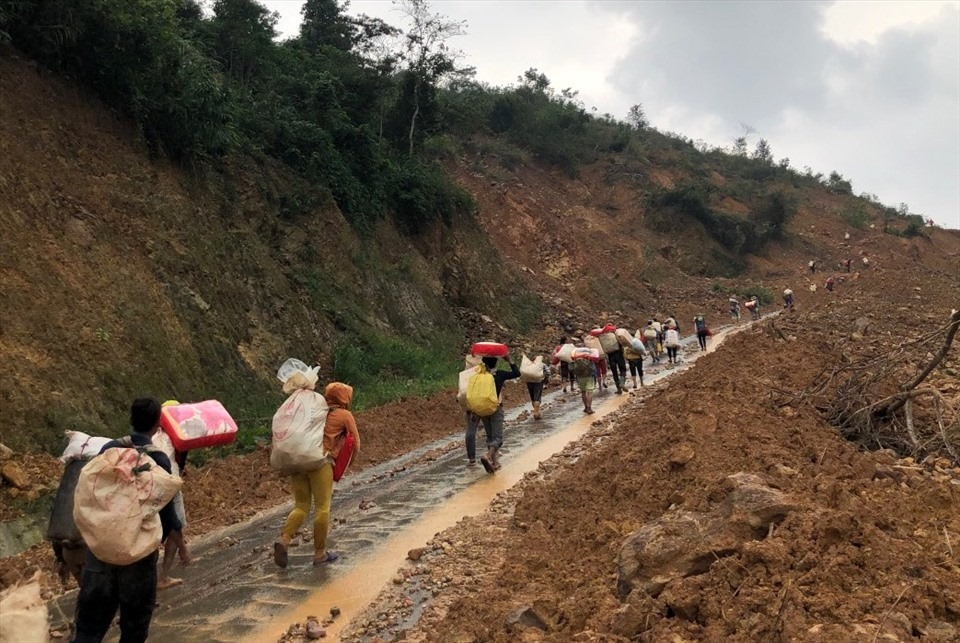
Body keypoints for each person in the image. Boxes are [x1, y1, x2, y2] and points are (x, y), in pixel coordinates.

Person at [72, 398, 183, 643]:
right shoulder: (159, 460)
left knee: (88, 628)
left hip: (100, 552)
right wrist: (177, 542)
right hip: (139, 559)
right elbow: (166, 514)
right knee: (134, 630)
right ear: (157, 425)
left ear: (131, 420)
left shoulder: (108, 450)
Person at [275, 382, 360, 568]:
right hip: (321, 463)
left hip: (298, 462)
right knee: (322, 508)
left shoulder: (315, 411)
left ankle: (285, 540)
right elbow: (356, 444)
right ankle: (320, 554)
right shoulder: (344, 415)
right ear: (344, 398)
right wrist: (346, 465)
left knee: (301, 506)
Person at [151, 426, 192, 590]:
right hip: (169, 486)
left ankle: (150, 579)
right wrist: (184, 549)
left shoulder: (154, 437)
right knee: (176, 527)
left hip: (149, 487)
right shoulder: (178, 436)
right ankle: (163, 577)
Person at [466, 355, 520, 473]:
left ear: (484, 363)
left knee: (490, 437)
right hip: (495, 408)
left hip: (483, 409)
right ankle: (488, 456)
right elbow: (517, 373)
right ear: (496, 363)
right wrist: (509, 359)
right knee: (498, 438)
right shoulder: (499, 374)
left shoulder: (479, 376)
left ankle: (494, 463)